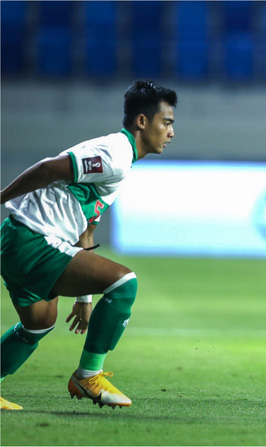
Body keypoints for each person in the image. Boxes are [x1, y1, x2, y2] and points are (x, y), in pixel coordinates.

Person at [1, 80, 177, 410]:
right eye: (166, 123)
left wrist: (85, 297)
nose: (171, 133)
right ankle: (88, 375)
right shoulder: (115, 155)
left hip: (18, 241)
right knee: (124, 282)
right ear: (142, 121)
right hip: (33, 239)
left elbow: (86, 231)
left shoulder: (119, 161)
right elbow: (48, 168)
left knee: (38, 323)